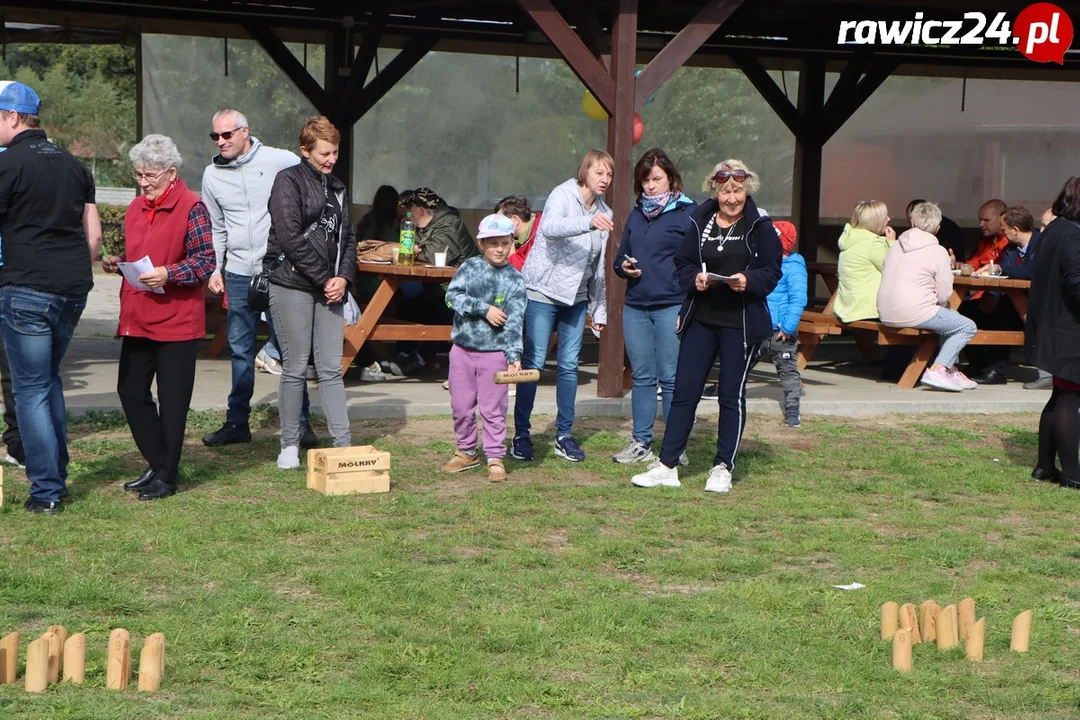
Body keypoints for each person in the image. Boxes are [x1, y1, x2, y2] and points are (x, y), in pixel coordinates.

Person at [630, 159, 781, 493]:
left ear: (747, 190)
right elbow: (681, 264)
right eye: (725, 191)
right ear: (715, 188)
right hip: (702, 318)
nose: (731, 199)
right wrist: (693, 281)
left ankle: (723, 467)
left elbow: (772, 272)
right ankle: (667, 466)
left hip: (740, 324)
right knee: (684, 392)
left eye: (738, 191)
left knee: (730, 395)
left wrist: (748, 280)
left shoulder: (761, 226)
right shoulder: (698, 220)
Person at [0, 81, 101, 514]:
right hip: (72, 288)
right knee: (48, 382)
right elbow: (93, 236)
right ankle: (55, 473)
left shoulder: (9, 165)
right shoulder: (75, 166)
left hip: (26, 287)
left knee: (30, 390)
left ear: (12, 117)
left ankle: (46, 491)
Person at [102, 135, 215, 500]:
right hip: (139, 315)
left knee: (173, 401)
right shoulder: (135, 209)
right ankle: (160, 462)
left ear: (171, 173)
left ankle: (166, 476)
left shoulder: (193, 207)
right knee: (131, 391)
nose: (143, 182)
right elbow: (139, 255)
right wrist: (120, 264)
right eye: (138, 174)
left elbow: (204, 262)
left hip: (177, 320)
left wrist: (169, 273)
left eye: (150, 175)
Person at [199, 109, 316, 448]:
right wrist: (214, 268)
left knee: (291, 351)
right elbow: (216, 226)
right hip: (236, 272)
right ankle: (237, 423)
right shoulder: (211, 175)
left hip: (280, 269)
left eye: (227, 135)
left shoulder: (280, 159)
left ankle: (301, 424)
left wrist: (303, 247)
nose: (221, 141)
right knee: (239, 351)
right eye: (215, 136)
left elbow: (310, 195)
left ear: (245, 131)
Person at [265, 116, 358, 469]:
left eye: (334, 152)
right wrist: (325, 279)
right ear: (305, 151)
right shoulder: (287, 181)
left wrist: (344, 278)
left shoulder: (337, 187)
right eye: (324, 153)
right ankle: (289, 444)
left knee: (332, 368)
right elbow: (289, 238)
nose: (331, 159)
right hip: (290, 283)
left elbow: (348, 237)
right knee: (296, 366)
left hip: (330, 289)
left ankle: (343, 444)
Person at [511, 149, 612, 463]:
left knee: (569, 368)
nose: (605, 179)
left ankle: (564, 435)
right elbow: (551, 228)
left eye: (609, 174)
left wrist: (600, 309)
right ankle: (521, 435)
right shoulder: (563, 194)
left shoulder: (605, 210)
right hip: (542, 293)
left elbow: (599, 267)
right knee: (534, 365)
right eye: (599, 173)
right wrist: (587, 222)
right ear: (585, 172)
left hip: (577, 300)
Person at [611, 148, 696, 464]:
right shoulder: (636, 214)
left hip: (671, 305)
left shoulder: (688, 213)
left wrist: (688, 302)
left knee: (672, 377)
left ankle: (676, 446)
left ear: (671, 178)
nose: (651, 186)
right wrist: (625, 268)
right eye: (645, 180)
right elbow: (621, 258)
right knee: (642, 376)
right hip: (635, 305)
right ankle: (641, 443)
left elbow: (697, 262)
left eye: (657, 179)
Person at [441, 214, 526, 482]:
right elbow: (451, 297)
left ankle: (495, 456)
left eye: (504, 242)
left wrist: (514, 355)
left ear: (512, 242)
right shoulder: (468, 268)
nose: (499, 249)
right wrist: (484, 309)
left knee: (493, 409)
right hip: (462, 351)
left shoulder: (515, 280)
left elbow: (514, 322)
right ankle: (466, 451)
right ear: (481, 243)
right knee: (461, 406)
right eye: (493, 243)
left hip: (495, 355)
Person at [877, 202, 976, 392]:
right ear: (938, 227)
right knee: (966, 326)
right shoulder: (937, 250)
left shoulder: (895, 245)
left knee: (948, 319)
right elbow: (945, 293)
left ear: (912, 221)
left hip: (885, 311)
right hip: (915, 311)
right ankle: (938, 370)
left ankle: (952, 370)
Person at [383, 187, 476, 377]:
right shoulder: (428, 225)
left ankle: (419, 360)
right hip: (439, 287)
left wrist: (416, 250)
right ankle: (402, 355)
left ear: (421, 210)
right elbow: (414, 248)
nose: (409, 214)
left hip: (465, 290)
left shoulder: (449, 224)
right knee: (408, 307)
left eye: (412, 209)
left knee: (445, 311)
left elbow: (434, 255)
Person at [1026, 176, 1080, 490]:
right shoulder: (1072, 235)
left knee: (1060, 394)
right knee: (1070, 396)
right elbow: (1076, 284)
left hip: (1052, 325)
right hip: (1068, 329)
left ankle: (1045, 465)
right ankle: (1073, 473)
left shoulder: (1055, 229)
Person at [763, 220, 807, 428]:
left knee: (788, 371)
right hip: (760, 329)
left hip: (781, 332)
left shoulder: (794, 268)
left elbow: (798, 299)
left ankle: (792, 409)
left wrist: (788, 327)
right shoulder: (763, 264)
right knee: (740, 365)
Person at [833, 200, 895, 323]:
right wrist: (892, 243)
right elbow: (893, 268)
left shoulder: (850, 240)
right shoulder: (872, 244)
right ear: (875, 221)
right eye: (885, 216)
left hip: (849, 308)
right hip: (870, 310)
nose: (889, 219)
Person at [0, 139, 22, 469]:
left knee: (12, 364)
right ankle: (18, 438)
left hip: (10, 270)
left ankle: (18, 438)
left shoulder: (11, 159)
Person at [495, 195, 542, 271]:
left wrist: (511, 254)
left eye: (501, 222)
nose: (498, 227)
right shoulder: (523, 239)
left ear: (515, 219)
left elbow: (526, 274)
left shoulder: (540, 237)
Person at [967, 199, 1009, 271]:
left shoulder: (1012, 241)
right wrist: (958, 265)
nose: (981, 224)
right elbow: (972, 266)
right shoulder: (984, 241)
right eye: (980, 220)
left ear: (1002, 219)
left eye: (986, 220)